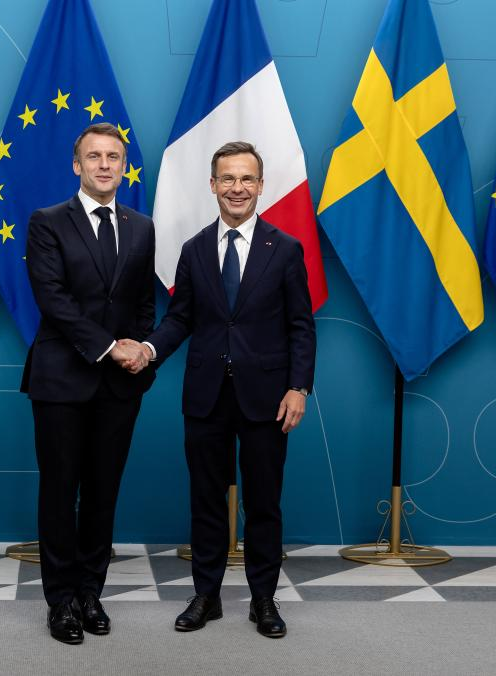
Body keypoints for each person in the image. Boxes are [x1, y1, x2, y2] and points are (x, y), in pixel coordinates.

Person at [133, 141, 315, 638]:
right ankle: (206, 596)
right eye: (228, 179)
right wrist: (148, 349)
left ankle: (263, 600)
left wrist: (298, 387)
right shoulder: (193, 250)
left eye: (247, 179)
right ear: (213, 185)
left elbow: (301, 326)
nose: (238, 188)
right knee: (206, 500)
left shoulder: (286, 249)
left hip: (267, 399)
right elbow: (180, 319)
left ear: (261, 185)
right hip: (206, 396)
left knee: (264, 504)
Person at [21, 122, 154, 645]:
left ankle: (90, 593)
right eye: (93, 156)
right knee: (59, 493)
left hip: (119, 386)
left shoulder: (142, 226)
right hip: (61, 380)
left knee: (103, 494)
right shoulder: (48, 221)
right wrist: (108, 346)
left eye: (112, 157)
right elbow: (52, 298)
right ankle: (61, 601)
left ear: (124, 166)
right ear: (77, 165)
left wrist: (140, 349)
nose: (104, 165)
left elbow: (143, 302)